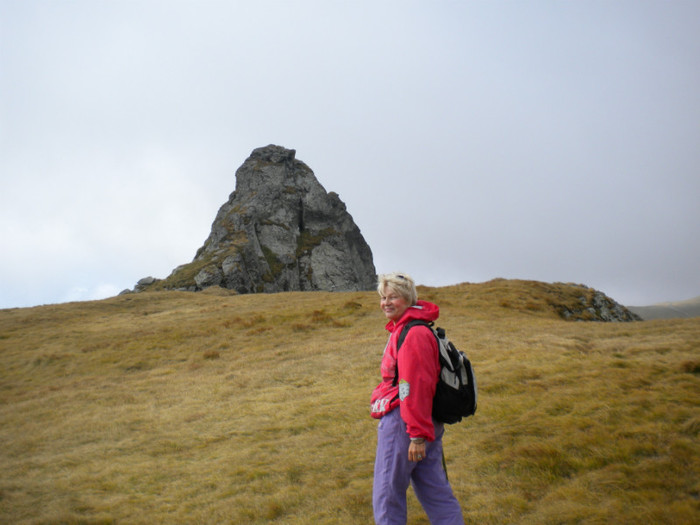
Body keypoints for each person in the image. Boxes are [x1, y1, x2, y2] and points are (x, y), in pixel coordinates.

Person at [370, 272, 464, 524]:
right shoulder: (414, 330)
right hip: (424, 422)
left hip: (406, 424)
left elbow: (412, 388)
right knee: (435, 491)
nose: (386, 303)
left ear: (409, 299)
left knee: (387, 496)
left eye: (394, 297)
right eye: (383, 297)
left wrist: (417, 436)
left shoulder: (413, 335)